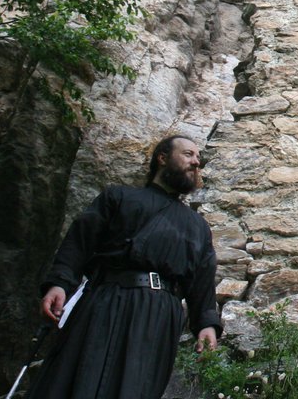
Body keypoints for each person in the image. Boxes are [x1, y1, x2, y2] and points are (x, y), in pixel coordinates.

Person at [27, 135, 221, 399]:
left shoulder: (198, 226)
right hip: (107, 299)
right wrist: (60, 283)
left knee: (136, 388)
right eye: (188, 154)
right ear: (162, 158)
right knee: (78, 377)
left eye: (198, 158)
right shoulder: (118, 197)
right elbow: (79, 242)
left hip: (160, 315)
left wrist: (206, 324)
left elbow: (202, 280)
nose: (196, 162)